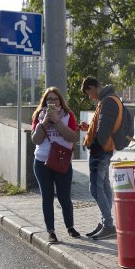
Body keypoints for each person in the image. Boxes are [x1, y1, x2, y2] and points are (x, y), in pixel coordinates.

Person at [31, 87, 80, 243]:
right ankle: (51, 231)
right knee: (47, 197)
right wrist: (44, 122)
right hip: (42, 161)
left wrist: (57, 122)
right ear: (45, 101)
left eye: (55, 99)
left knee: (64, 196)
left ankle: (70, 226)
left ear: (60, 101)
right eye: (49, 99)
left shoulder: (68, 115)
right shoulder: (39, 116)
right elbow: (36, 140)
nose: (52, 102)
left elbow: (72, 136)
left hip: (62, 161)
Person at [80, 77, 120, 240]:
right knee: (103, 185)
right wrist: (89, 129)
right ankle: (105, 221)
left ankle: (109, 225)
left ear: (92, 87)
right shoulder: (109, 99)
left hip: (101, 151)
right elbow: (104, 126)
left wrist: (93, 145)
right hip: (105, 149)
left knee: (95, 188)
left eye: (88, 92)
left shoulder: (107, 101)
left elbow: (104, 129)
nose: (90, 96)